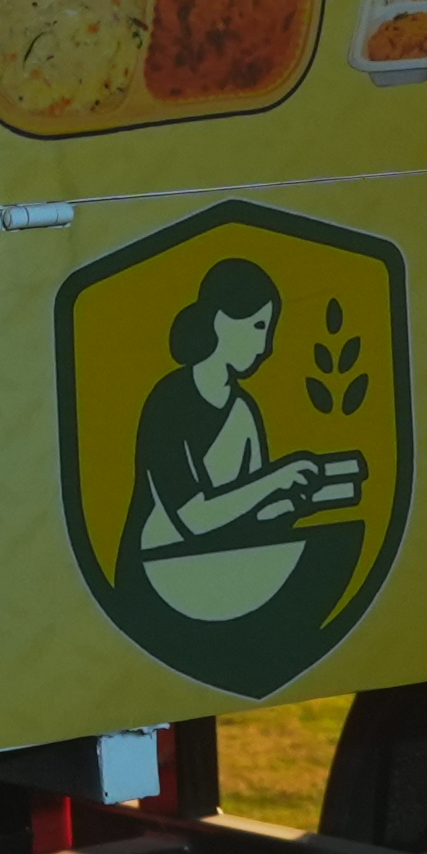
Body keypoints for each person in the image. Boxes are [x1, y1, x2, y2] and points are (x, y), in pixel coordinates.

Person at [124, 261, 356, 622]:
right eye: (258, 326)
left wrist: (292, 504)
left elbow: (248, 517)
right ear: (219, 321)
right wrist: (277, 479)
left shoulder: (244, 410)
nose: (266, 346)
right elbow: (193, 517)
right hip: (160, 574)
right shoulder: (168, 402)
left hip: (222, 570)